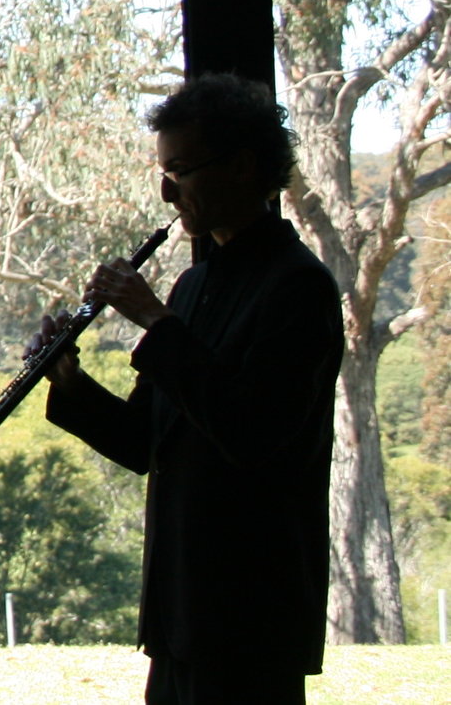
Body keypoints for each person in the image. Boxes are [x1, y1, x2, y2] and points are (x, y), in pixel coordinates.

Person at [35, 74, 341, 704]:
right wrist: (69, 380)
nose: (168, 192)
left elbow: (253, 434)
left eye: (182, 170)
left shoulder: (299, 287)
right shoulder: (193, 288)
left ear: (241, 167)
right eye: (163, 171)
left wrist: (155, 322)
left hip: (253, 615)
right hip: (183, 610)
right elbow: (147, 442)